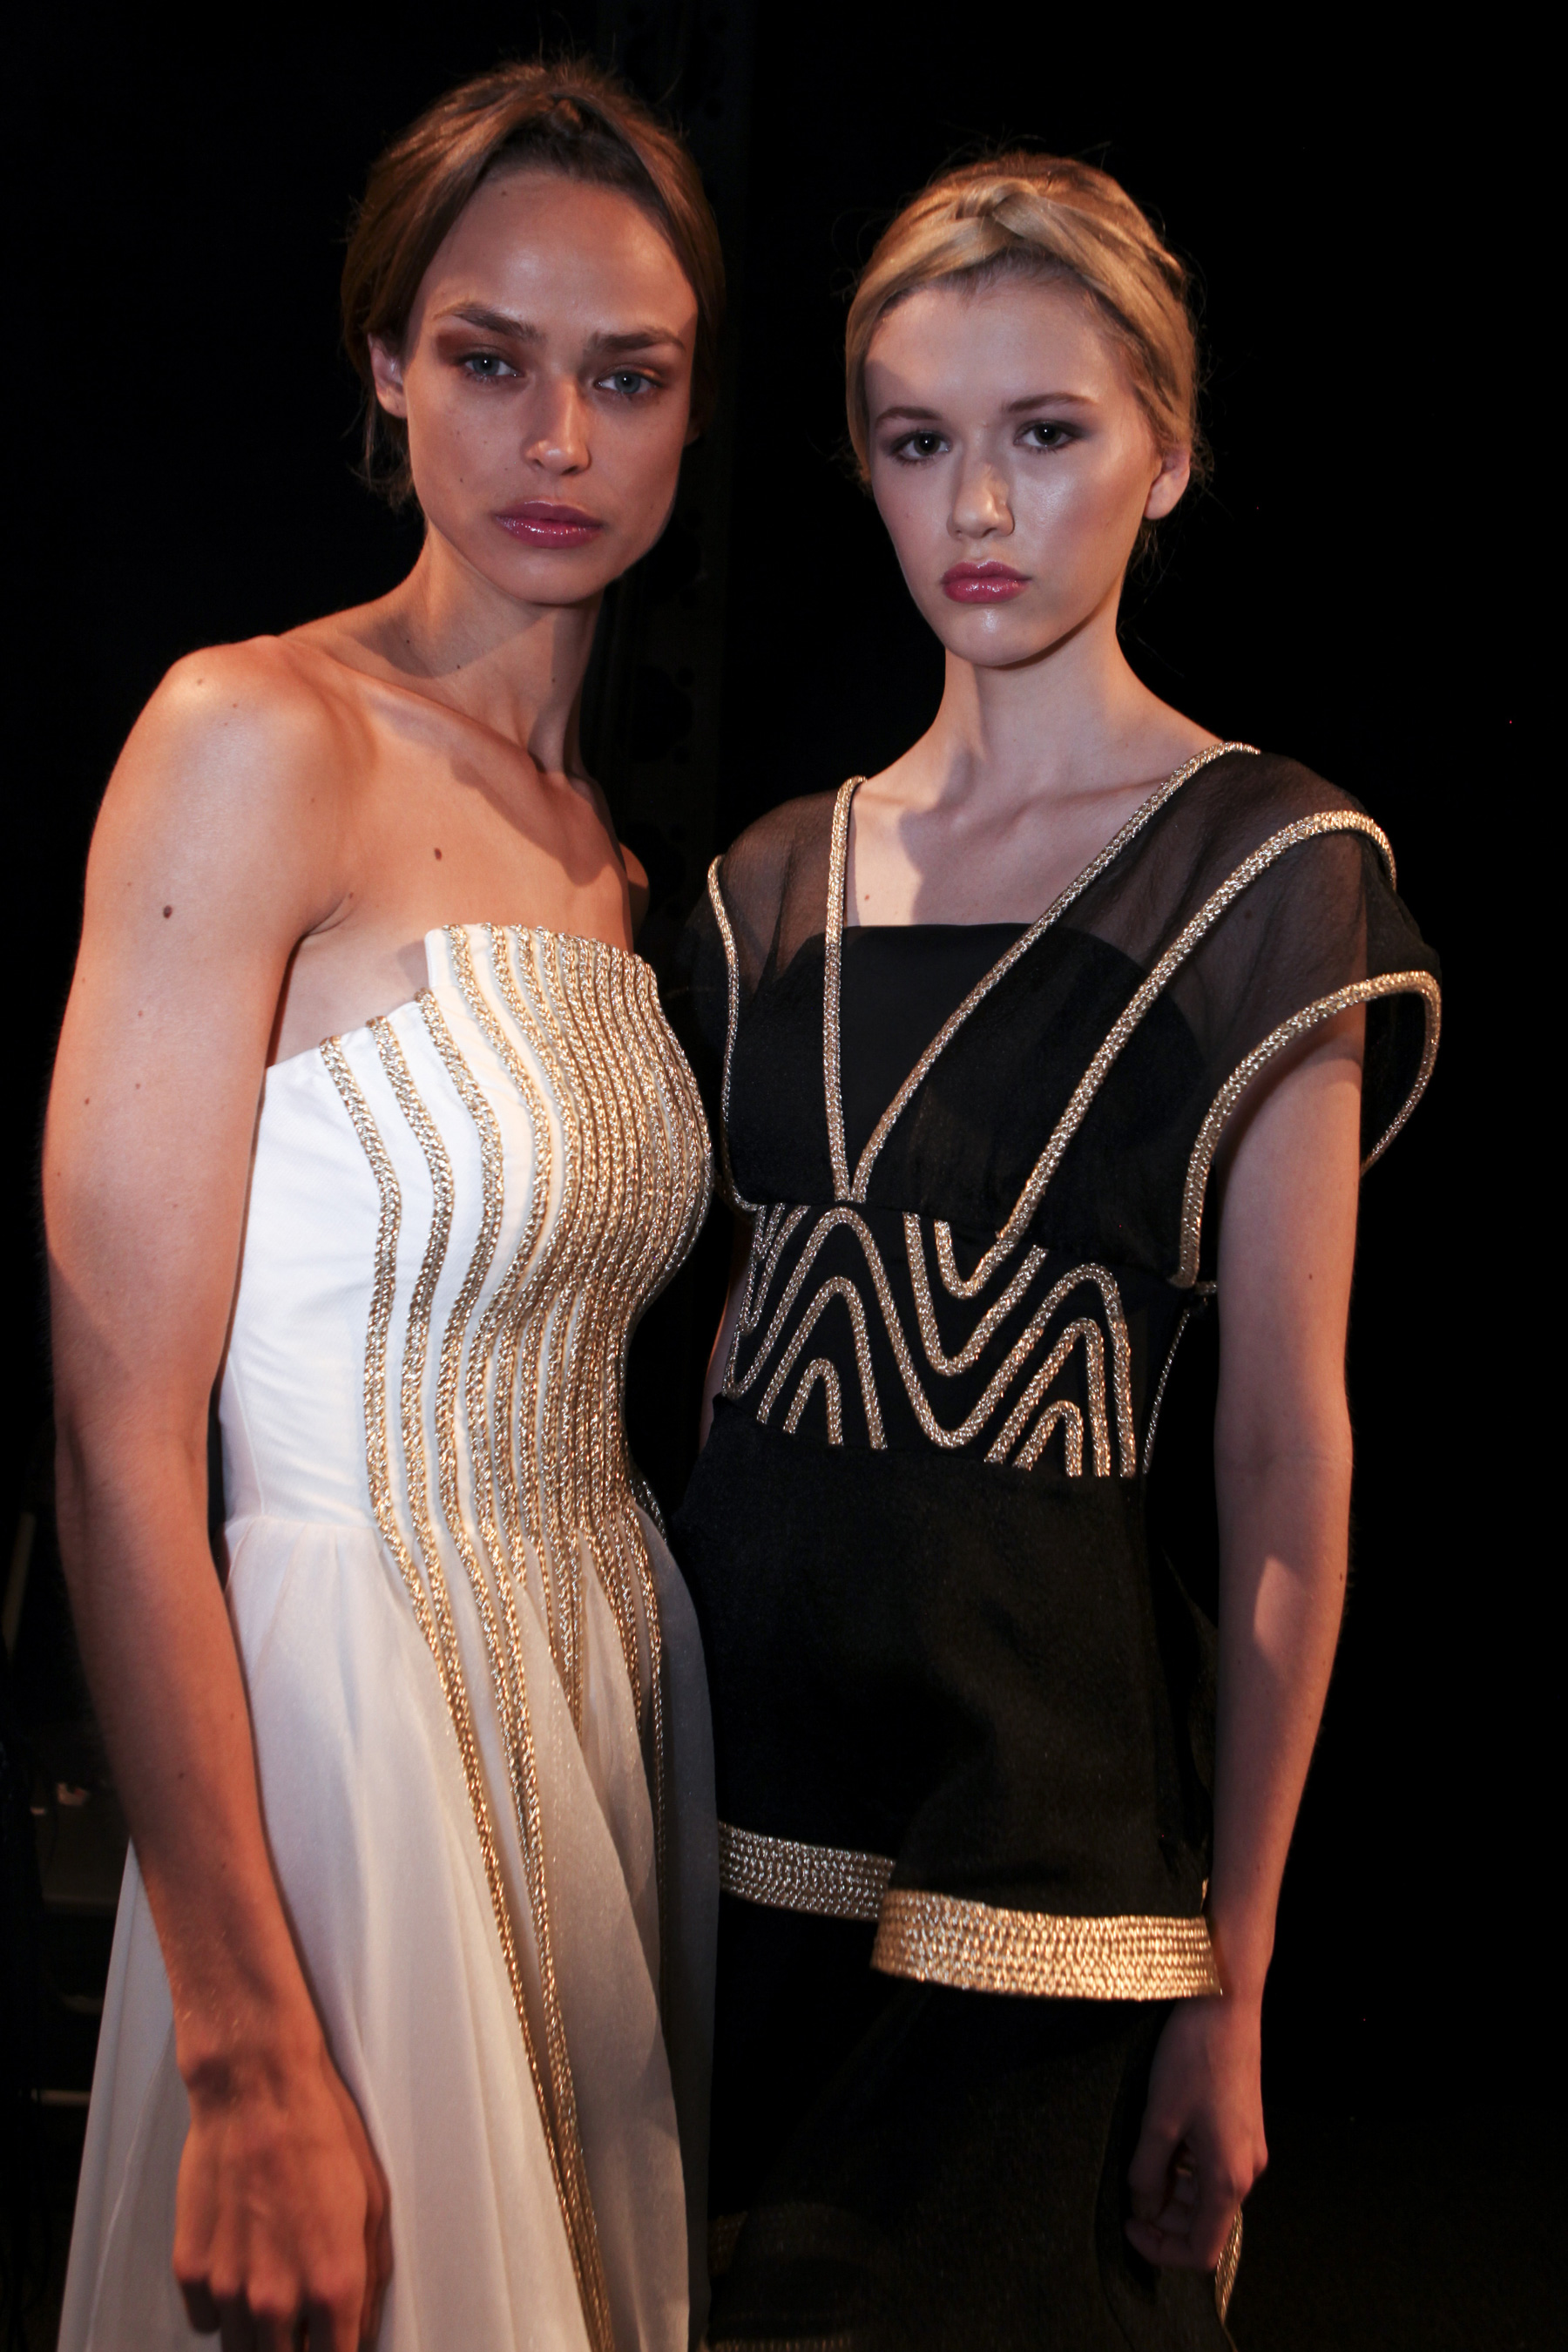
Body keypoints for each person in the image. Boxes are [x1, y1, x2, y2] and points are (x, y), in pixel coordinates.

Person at [669, 153, 1440, 2349]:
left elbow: (1287, 1466)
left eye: (1048, 432)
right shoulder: (767, 887)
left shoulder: (1267, 872)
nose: (980, 508)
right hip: (725, 1845)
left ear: (1167, 453)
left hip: (1052, 1867)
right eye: (920, 443)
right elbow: (732, 1356)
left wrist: (1240, 1978)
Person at [47, 59, 721, 2352]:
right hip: (342, 1766)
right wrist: (249, 2037)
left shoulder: (607, 855)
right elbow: (120, 1433)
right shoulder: (255, 736)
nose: (559, 438)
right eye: (489, 359)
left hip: (592, 1718)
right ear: (386, 368)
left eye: (627, 376)